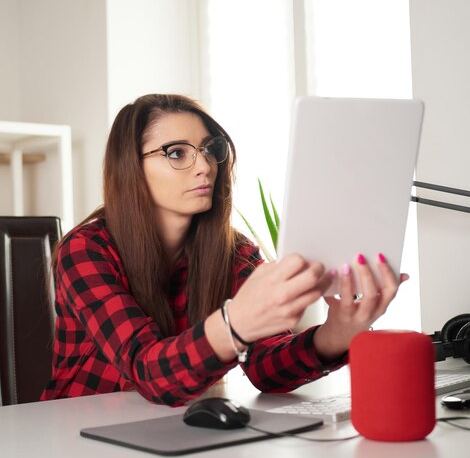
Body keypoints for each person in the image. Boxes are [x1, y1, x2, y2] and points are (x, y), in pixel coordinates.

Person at [41, 93, 407, 406]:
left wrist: (337, 334)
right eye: (176, 153)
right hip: (78, 438)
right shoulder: (86, 250)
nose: (204, 167)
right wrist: (237, 323)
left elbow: (267, 370)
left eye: (209, 150)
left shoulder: (235, 252)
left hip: (175, 435)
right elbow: (148, 371)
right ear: (131, 168)